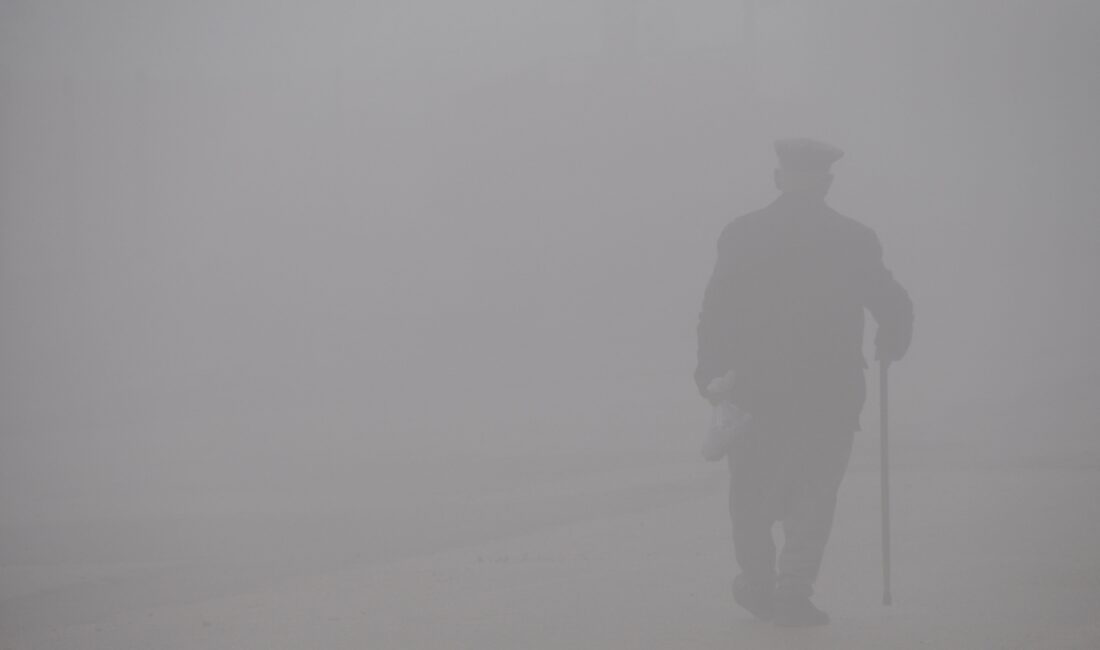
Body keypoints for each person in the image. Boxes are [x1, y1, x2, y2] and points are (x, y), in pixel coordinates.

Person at [695, 138, 913, 626]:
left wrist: (709, 371)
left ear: (778, 178)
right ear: (827, 183)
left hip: (757, 390)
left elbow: (716, 310)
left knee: (750, 495)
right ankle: (793, 591)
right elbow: (892, 303)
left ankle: (757, 582)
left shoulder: (743, 234)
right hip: (830, 393)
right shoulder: (854, 238)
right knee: (814, 494)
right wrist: (892, 339)